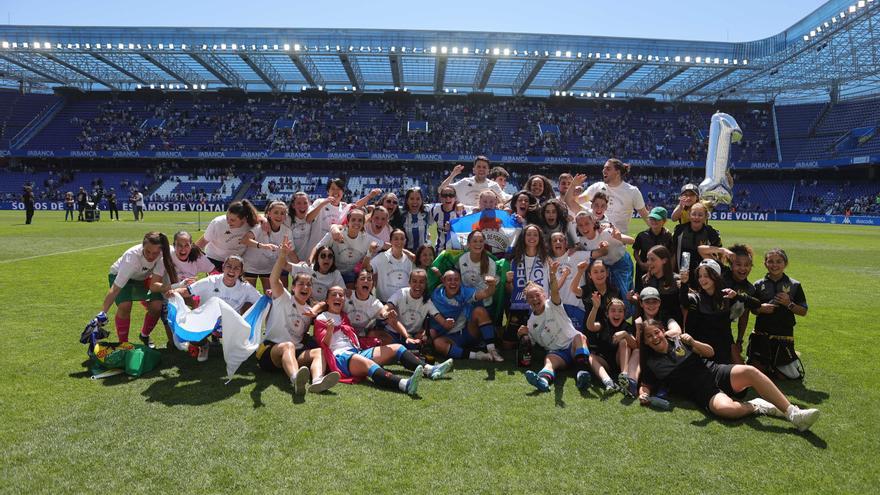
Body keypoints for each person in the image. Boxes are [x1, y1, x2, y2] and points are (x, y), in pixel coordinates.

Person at [638, 319, 820, 431]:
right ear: (645, 342)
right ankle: (757, 406)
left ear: (662, 331)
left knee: (749, 371)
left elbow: (710, 353)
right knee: (728, 410)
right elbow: (646, 383)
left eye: (656, 332)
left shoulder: (679, 341)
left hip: (715, 371)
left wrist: (693, 342)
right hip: (702, 392)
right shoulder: (652, 362)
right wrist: (643, 394)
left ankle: (794, 414)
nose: (654, 337)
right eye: (649, 337)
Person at [315, 286, 452, 394]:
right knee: (367, 363)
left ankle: (429, 370)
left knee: (397, 347)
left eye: (341, 295)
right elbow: (324, 346)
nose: (338, 297)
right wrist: (330, 331)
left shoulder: (344, 316)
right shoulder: (322, 318)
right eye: (334, 295)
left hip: (356, 351)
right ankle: (404, 384)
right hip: (340, 357)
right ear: (327, 300)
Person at [260, 237, 340, 394]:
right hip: (271, 352)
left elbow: (325, 303)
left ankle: (317, 380)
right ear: (293, 287)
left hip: (295, 353)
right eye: (301, 284)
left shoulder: (309, 310)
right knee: (287, 345)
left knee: (319, 352)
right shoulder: (283, 298)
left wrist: (317, 308)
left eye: (309, 284)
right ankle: (296, 379)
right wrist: (283, 255)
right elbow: (273, 279)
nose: (305, 287)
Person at [517, 260, 592, 392]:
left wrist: (552, 273)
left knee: (580, 337)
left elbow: (555, 291)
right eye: (530, 297)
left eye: (537, 295)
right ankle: (543, 381)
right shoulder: (530, 323)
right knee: (549, 360)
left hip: (572, 346)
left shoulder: (552, 305)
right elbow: (530, 346)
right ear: (526, 300)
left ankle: (582, 373)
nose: (534, 299)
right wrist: (522, 335)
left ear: (544, 295)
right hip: (558, 354)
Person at [170, 254, 261, 362]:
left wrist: (271, 297)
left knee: (250, 307)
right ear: (223, 267)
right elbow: (187, 291)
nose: (232, 270)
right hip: (207, 322)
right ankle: (204, 344)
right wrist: (175, 292)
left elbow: (260, 300)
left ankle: (236, 344)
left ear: (241, 272)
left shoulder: (245, 287)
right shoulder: (210, 281)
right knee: (190, 335)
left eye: (236, 268)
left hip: (230, 325)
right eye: (229, 266)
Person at [97, 232, 176, 347]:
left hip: (143, 278)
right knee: (125, 305)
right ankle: (123, 343)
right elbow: (115, 289)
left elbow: (185, 250)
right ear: (142, 246)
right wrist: (101, 314)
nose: (151, 256)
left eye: (155, 253)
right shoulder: (131, 258)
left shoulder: (167, 251)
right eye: (147, 251)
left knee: (157, 306)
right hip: (121, 276)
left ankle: (144, 335)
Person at [680, 259, 759, 365]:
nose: (702, 279)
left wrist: (737, 296)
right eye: (700, 276)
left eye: (706, 276)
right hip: (703, 349)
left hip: (724, 346)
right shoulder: (695, 298)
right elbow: (684, 301)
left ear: (716, 276)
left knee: (745, 373)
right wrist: (684, 284)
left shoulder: (727, 296)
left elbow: (757, 304)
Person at [748, 249, 808, 380]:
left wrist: (789, 304)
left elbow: (803, 311)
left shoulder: (794, 285)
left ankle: (787, 359)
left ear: (785, 264)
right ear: (765, 264)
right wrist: (760, 308)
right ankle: (769, 365)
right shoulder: (758, 285)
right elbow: (752, 309)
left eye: (779, 261)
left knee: (786, 377)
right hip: (761, 334)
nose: (774, 265)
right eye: (770, 261)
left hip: (783, 335)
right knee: (758, 373)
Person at [430, 270, 501, 362]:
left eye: (456, 280)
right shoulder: (436, 295)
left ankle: (492, 350)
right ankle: (478, 356)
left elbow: (486, 293)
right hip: (449, 337)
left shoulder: (464, 291)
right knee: (438, 343)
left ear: (460, 281)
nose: (453, 283)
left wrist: (492, 285)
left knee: (480, 311)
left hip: (467, 333)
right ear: (443, 281)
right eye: (449, 280)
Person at [505, 224, 550, 357]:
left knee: (542, 345)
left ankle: (530, 342)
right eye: (528, 234)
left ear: (540, 238)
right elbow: (509, 290)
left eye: (535, 234)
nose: (532, 237)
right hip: (519, 306)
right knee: (507, 345)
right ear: (523, 238)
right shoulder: (515, 260)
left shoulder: (546, 260)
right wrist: (508, 281)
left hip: (540, 307)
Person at [379, 269, 452, 349]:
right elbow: (385, 308)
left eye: (421, 282)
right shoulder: (401, 293)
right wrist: (386, 314)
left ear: (425, 284)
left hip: (413, 336)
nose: (418, 285)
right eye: (414, 281)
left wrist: (447, 323)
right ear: (409, 283)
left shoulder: (427, 301)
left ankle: (407, 348)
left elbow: (441, 320)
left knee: (425, 338)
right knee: (376, 335)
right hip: (394, 333)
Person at [577, 159, 650, 234]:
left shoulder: (632, 192)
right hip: (596, 237)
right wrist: (573, 189)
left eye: (608, 169)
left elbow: (645, 216)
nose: (603, 171)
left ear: (617, 172)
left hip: (617, 239)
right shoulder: (597, 187)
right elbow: (576, 201)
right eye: (604, 168)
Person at [585, 297, 637, 395]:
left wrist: (625, 334)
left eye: (620, 311)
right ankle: (608, 382)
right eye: (613, 310)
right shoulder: (603, 323)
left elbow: (635, 345)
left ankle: (624, 377)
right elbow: (590, 326)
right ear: (607, 314)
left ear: (624, 314)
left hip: (620, 361)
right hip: (605, 361)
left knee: (624, 342)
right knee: (591, 357)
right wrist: (595, 308)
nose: (617, 314)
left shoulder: (626, 326)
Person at [242, 200, 293, 292]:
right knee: (249, 298)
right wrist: (263, 246)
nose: (279, 216)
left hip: (269, 268)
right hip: (250, 266)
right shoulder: (261, 226)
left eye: (282, 213)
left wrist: (300, 266)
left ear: (285, 216)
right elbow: (245, 240)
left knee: (271, 297)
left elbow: (291, 252)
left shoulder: (287, 231)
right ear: (269, 214)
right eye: (276, 212)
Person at [313, 207, 371, 286]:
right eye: (353, 220)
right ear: (347, 222)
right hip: (331, 272)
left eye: (360, 220)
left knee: (350, 292)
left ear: (363, 223)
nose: (356, 223)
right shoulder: (336, 233)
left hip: (350, 274)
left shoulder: (367, 238)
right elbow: (317, 248)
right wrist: (309, 263)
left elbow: (385, 245)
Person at [196, 199, 260, 271]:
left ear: (244, 219)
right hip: (214, 259)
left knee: (235, 282)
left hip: (236, 261)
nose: (228, 222)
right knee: (216, 282)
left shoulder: (251, 224)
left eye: (232, 220)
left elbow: (263, 219)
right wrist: (190, 256)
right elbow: (203, 241)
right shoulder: (217, 223)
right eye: (227, 218)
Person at [674, 202, 721, 286]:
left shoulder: (710, 232)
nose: (696, 217)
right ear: (689, 215)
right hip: (682, 273)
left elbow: (719, 254)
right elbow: (672, 252)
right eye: (694, 214)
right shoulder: (680, 230)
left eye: (700, 215)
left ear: (706, 216)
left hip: (704, 276)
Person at [363, 229, 413, 302]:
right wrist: (369, 252)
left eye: (402, 239)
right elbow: (367, 268)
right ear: (390, 241)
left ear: (405, 241)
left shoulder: (409, 259)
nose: (399, 241)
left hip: (403, 303)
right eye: (396, 239)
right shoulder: (382, 257)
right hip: (384, 302)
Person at [632, 206, 674, 291]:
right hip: (643, 270)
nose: (654, 221)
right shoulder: (642, 235)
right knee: (641, 292)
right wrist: (641, 264)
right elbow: (636, 252)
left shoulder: (668, 236)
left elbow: (671, 254)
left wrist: (669, 269)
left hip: (661, 272)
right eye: (652, 219)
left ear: (664, 221)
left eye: (657, 219)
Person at [640, 245, 683, 326]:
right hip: (652, 324)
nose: (648, 263)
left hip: (673, 323)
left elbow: (684, 305)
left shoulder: (676, 280)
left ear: (664, 260)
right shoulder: (645, 279)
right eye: (648, 259)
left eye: (652, 259)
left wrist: (684, 287)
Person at [438, 156, 505, 208]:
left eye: (484, 167)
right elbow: (440, 190)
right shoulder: (464, 182)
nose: (481, 169)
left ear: (488, 171)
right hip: (466, 221)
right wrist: (453, 175)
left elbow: (503, 203)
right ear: (473, 170)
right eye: (478, 167)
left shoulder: (494, 186)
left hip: (485, 221)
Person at [344, 269, 390, 337]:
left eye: (369, 279)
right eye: (362, 278)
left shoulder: (375, 303)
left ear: (372, 285)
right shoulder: (345, 296)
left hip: (360, 336)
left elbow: (383, 313)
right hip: (343, 333)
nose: (366, 281)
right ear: (356, 284)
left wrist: (387, 314)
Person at [458, 230, 497, 307]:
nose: (478, 244)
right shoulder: (461, 259)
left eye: (481, 241)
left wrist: (475, 297)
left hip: (484, 303)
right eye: (475, 241)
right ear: (468, 244)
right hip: (465, 301)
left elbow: (490, 291)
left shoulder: (491, 263)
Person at [429, 186, 468, 252]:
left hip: (457, 250)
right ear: (440, 198)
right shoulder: (434, 210)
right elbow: (428, 225)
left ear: (455, 198)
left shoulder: (462, 210)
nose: (448, 198)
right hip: (440, 250)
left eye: (451, 195)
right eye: (444, 195)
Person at [399, 186, 434, 251]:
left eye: (418, 199)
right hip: (407, 253)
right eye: (412, 198)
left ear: (422, 200)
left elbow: (443, 206)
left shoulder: (427, 211)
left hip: (423, 252)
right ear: (407, 200)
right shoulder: (401, 215)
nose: (415, 201)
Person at [284, 191, 314, 263]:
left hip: (308, 260)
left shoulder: (313, 214)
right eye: (298, 203)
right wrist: (298, 265)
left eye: (305, 203)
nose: (302, 206)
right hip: (289, 260)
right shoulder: (287, 219)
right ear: (293, 205)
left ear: (309, 204)